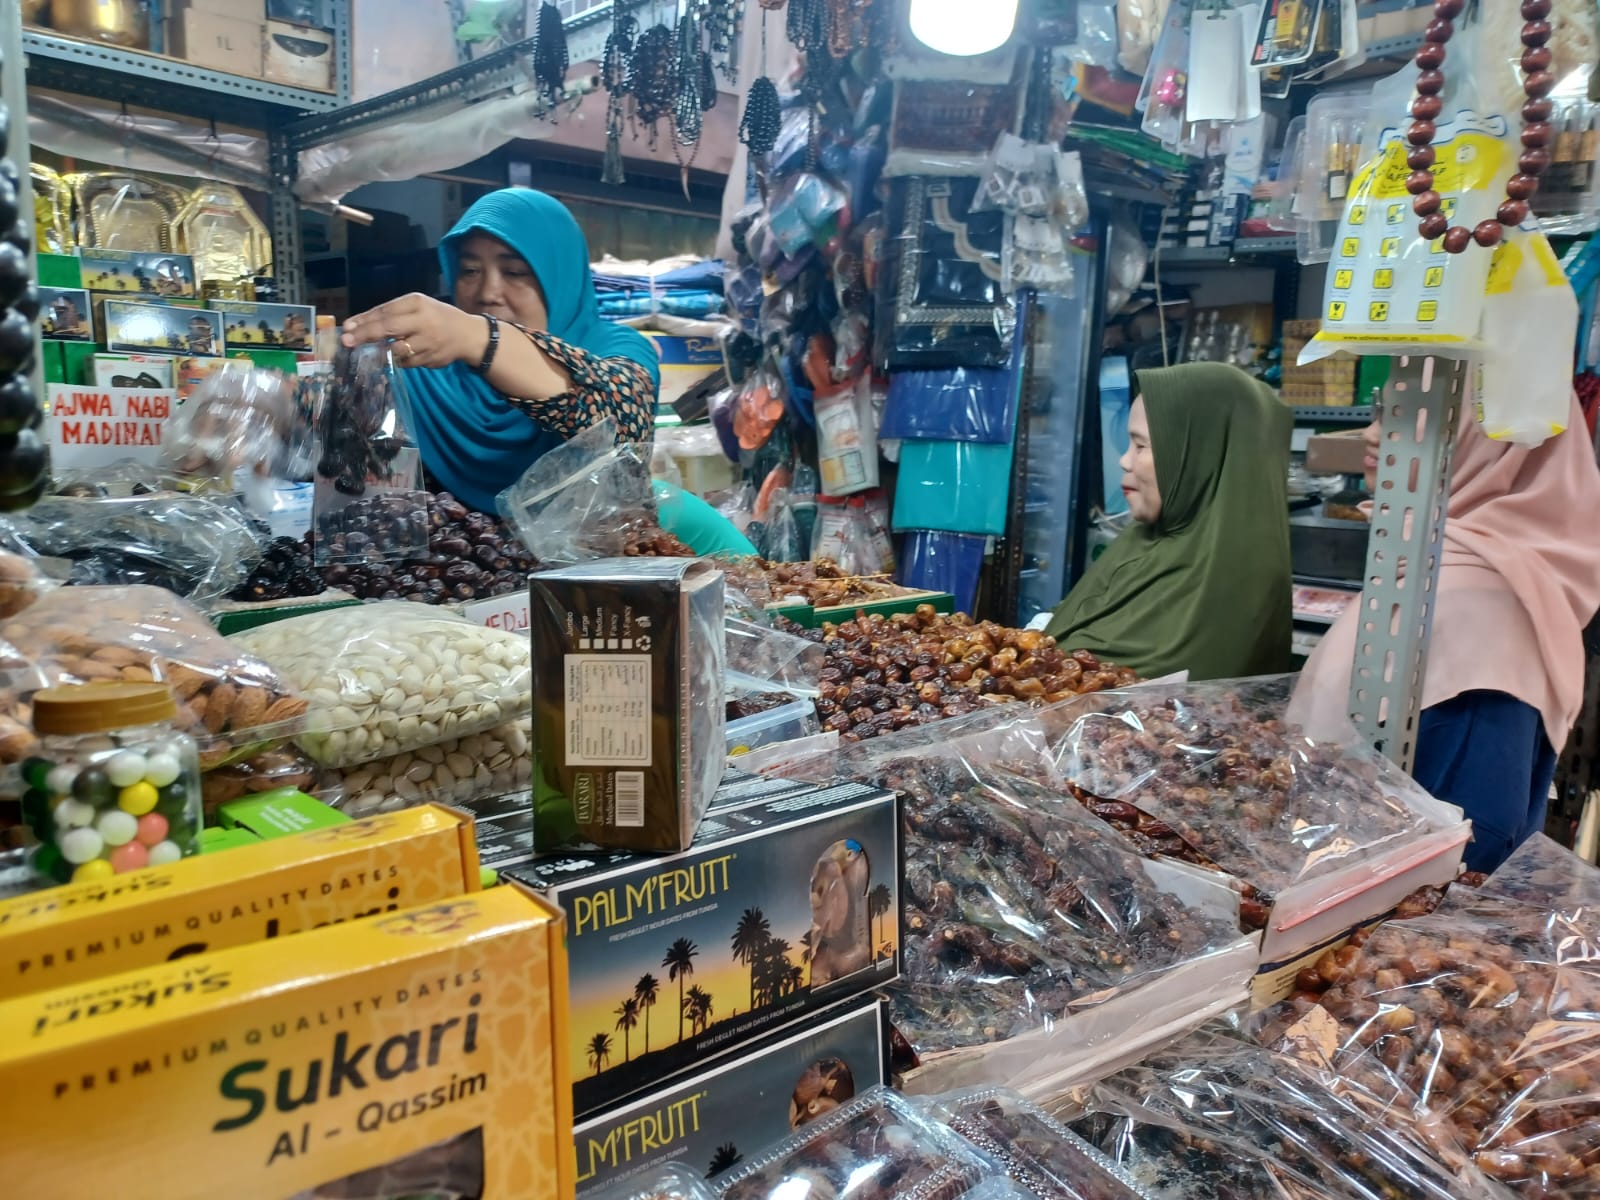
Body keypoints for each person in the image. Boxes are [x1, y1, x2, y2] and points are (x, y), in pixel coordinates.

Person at [1296, 396, 1600, 873]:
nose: (1372, 434)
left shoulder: (1478, 610)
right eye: (1380, 411)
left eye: (1412, 410)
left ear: (1498, 445)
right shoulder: (1430, 564)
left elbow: (1470, 845)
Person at [340, 188, 661, 516]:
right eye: (469, 271)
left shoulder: (617, 346)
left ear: (560, 274)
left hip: (596, 562)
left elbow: (623, 421)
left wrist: (481, 338)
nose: (488, 293)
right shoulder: (423, 370)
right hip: (448, 565)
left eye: (515, 273)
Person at [1043, 361, 1293, 680]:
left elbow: (1128, 696)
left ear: (1198, 456)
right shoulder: (1151, 536)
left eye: (1141, 446)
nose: (1124, 460)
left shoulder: (1226, 578)